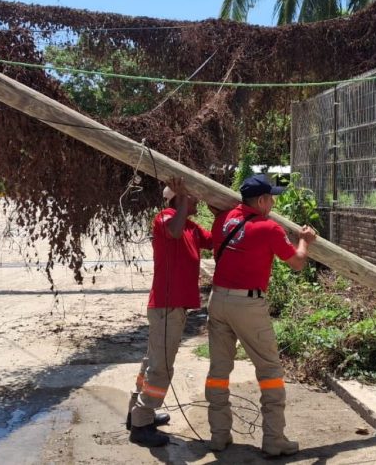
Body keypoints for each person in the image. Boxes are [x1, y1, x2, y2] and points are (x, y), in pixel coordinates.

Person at [204, 173, 316, 456]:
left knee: (218, 371)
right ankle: (274, 439)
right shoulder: (269, 228)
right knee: (270, 372)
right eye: (272, 198)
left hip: (218, 300)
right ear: (263, 200)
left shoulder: (224, 220)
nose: (273, 203)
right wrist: (305, 240)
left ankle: (218, 436)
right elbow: (297, 263)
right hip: (248, 305)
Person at [127, 178, 215, 448]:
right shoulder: (165, 219)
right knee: (161, 367)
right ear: (179, 199)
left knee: (152, 361)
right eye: (192, 198)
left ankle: (137, 412)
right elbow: (174, 232)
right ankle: (142, 424)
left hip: (173, 307)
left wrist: (220, 209)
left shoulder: (190, 226)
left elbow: (213, 242)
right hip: (166, 306)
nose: (196, 202)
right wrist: (185, 200)